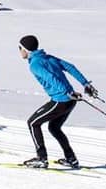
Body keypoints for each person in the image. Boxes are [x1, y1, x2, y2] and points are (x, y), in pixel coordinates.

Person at [16, 34, 96, 168]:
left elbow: (51, 78)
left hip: (61, 100)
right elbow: (70, 67)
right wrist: (85, 84)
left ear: (25, 49)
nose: (19, 51)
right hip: (69, 100)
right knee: (54, 128)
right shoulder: (47, 57)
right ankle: (71, 159)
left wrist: (67, 92)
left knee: (33, 123)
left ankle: (41, 159)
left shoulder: (35, 64)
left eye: (19, 48)